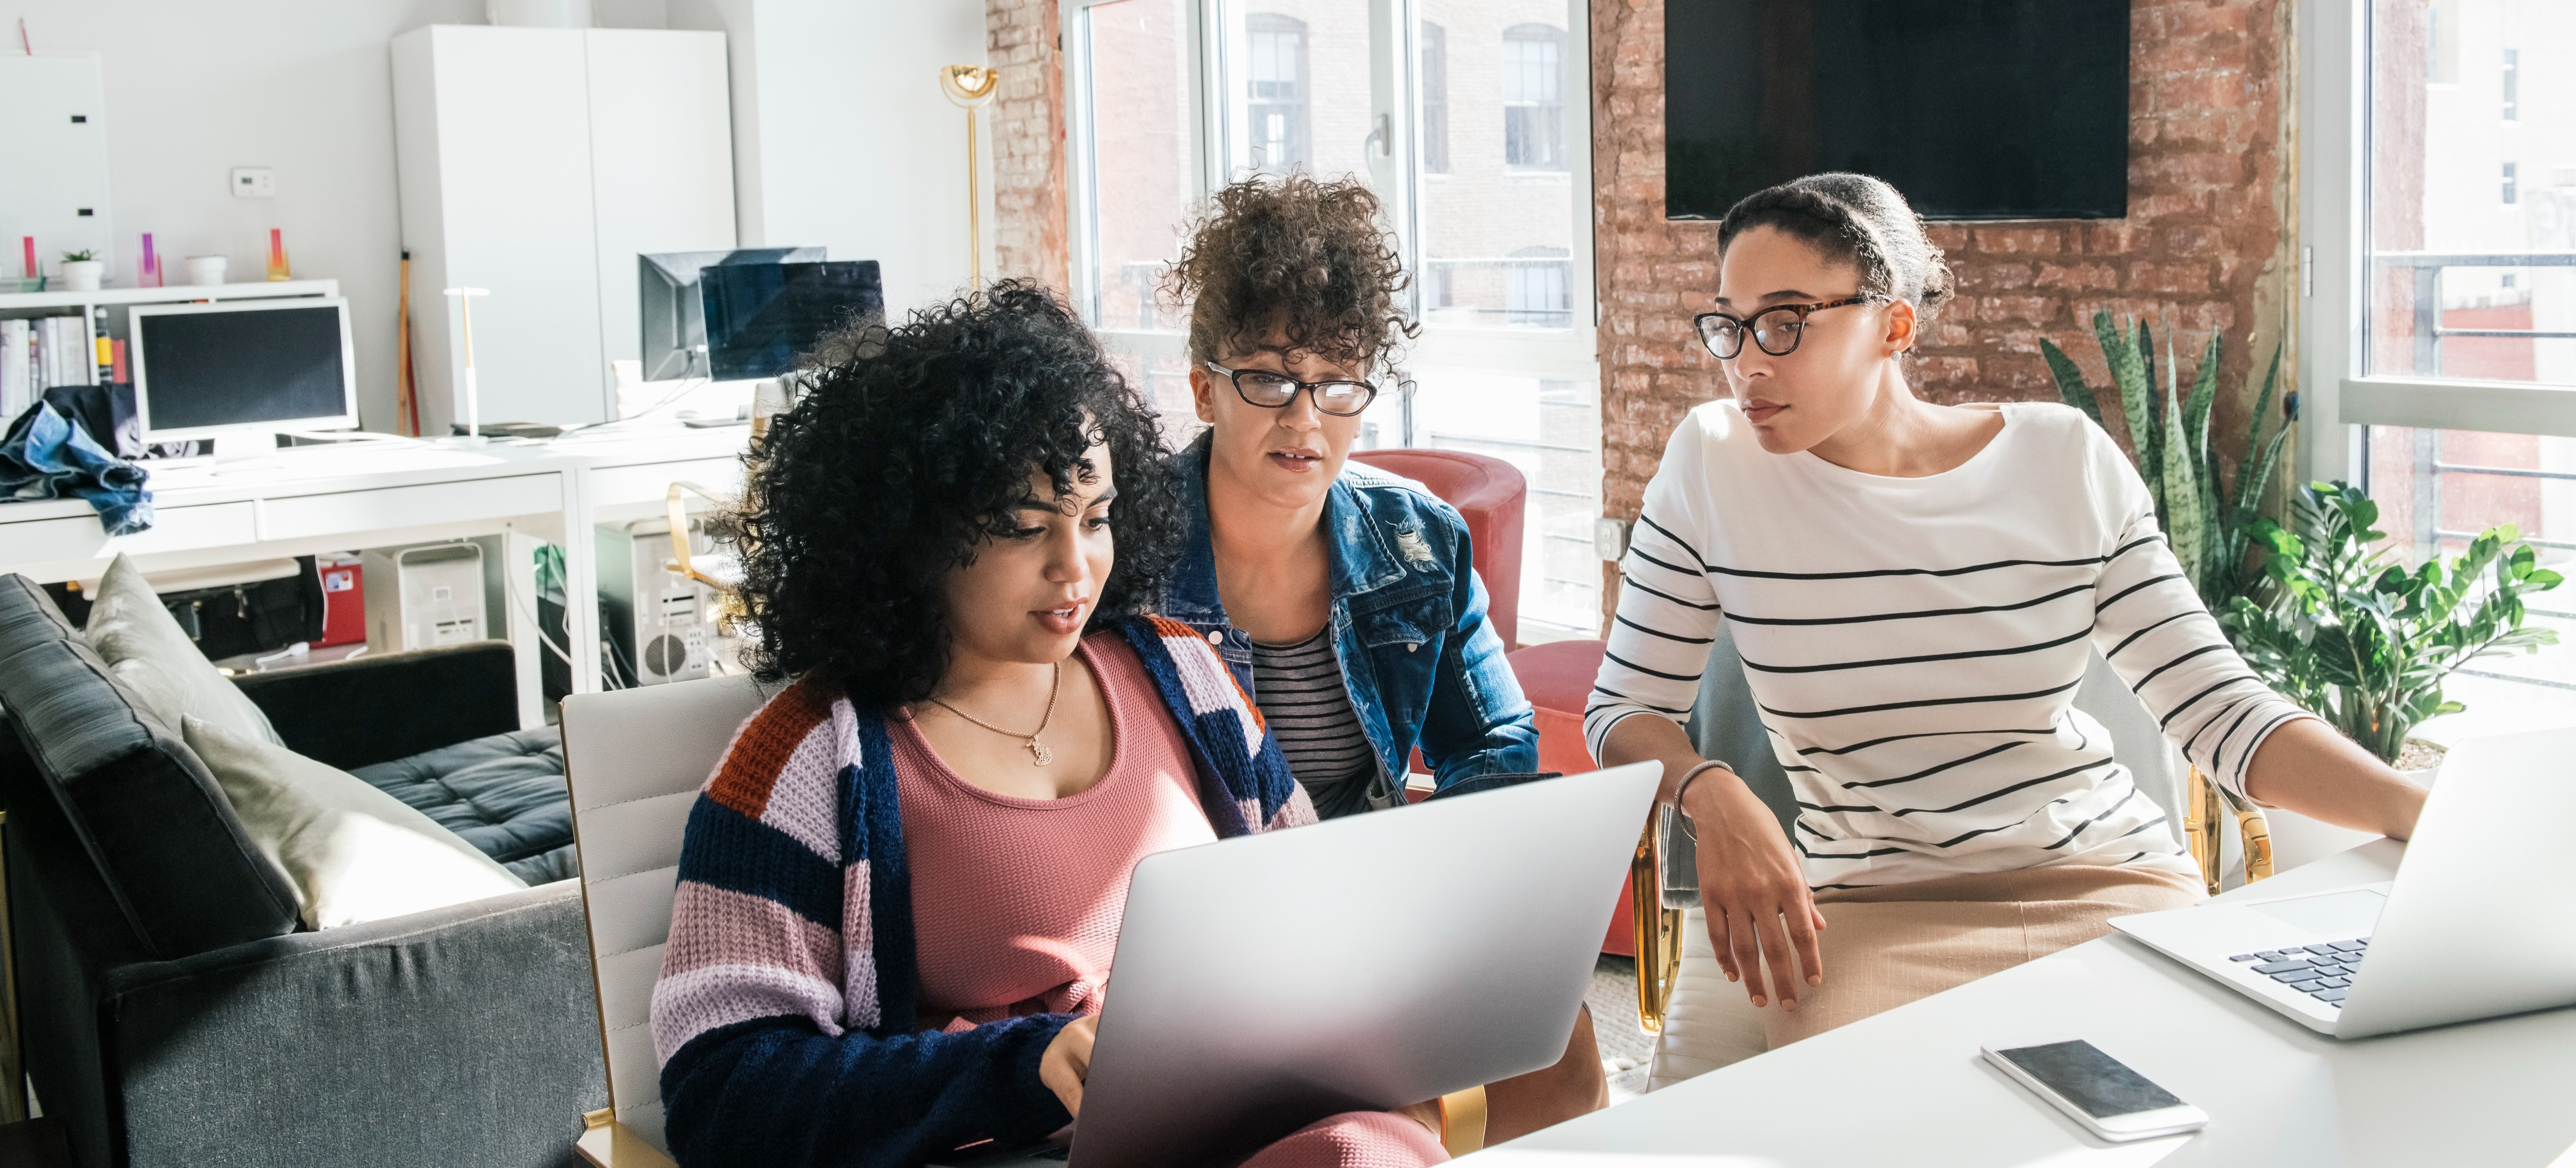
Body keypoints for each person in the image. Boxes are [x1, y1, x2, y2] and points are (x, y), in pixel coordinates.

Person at [1587, 173, 2428, 1065]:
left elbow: (2225, 715)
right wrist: (1710, 793)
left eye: (1787, 321)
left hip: (2111, 881)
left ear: (1893, 325)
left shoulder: (2061, 460)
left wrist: (2429, 814)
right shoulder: (1712, 465)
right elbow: (1621, 712)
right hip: (1867, 910)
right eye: (1731, 323)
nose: (1748, 361)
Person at [649, 283, 1451, 1167]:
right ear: (912, 534)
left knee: (1371, 1151)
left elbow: (1313, 908)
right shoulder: (806, 755)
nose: (1076, 566)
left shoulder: (1183, 669)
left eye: (1097, 518)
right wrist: (1021, 1067)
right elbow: (721, 1092)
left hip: (1230, 1120)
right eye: (1024, 527)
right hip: (1006, 1151)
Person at [1159, 174, 1602, 1133]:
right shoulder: (1127, 556)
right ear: (1204, 387)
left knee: (1556, 1036)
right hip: (1202, 925)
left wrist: (1437, 898)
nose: (1305, 417)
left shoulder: (1419, 541)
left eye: (1338, 381)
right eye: (1271, 377)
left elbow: (1493, 740)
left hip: (1372, 898)